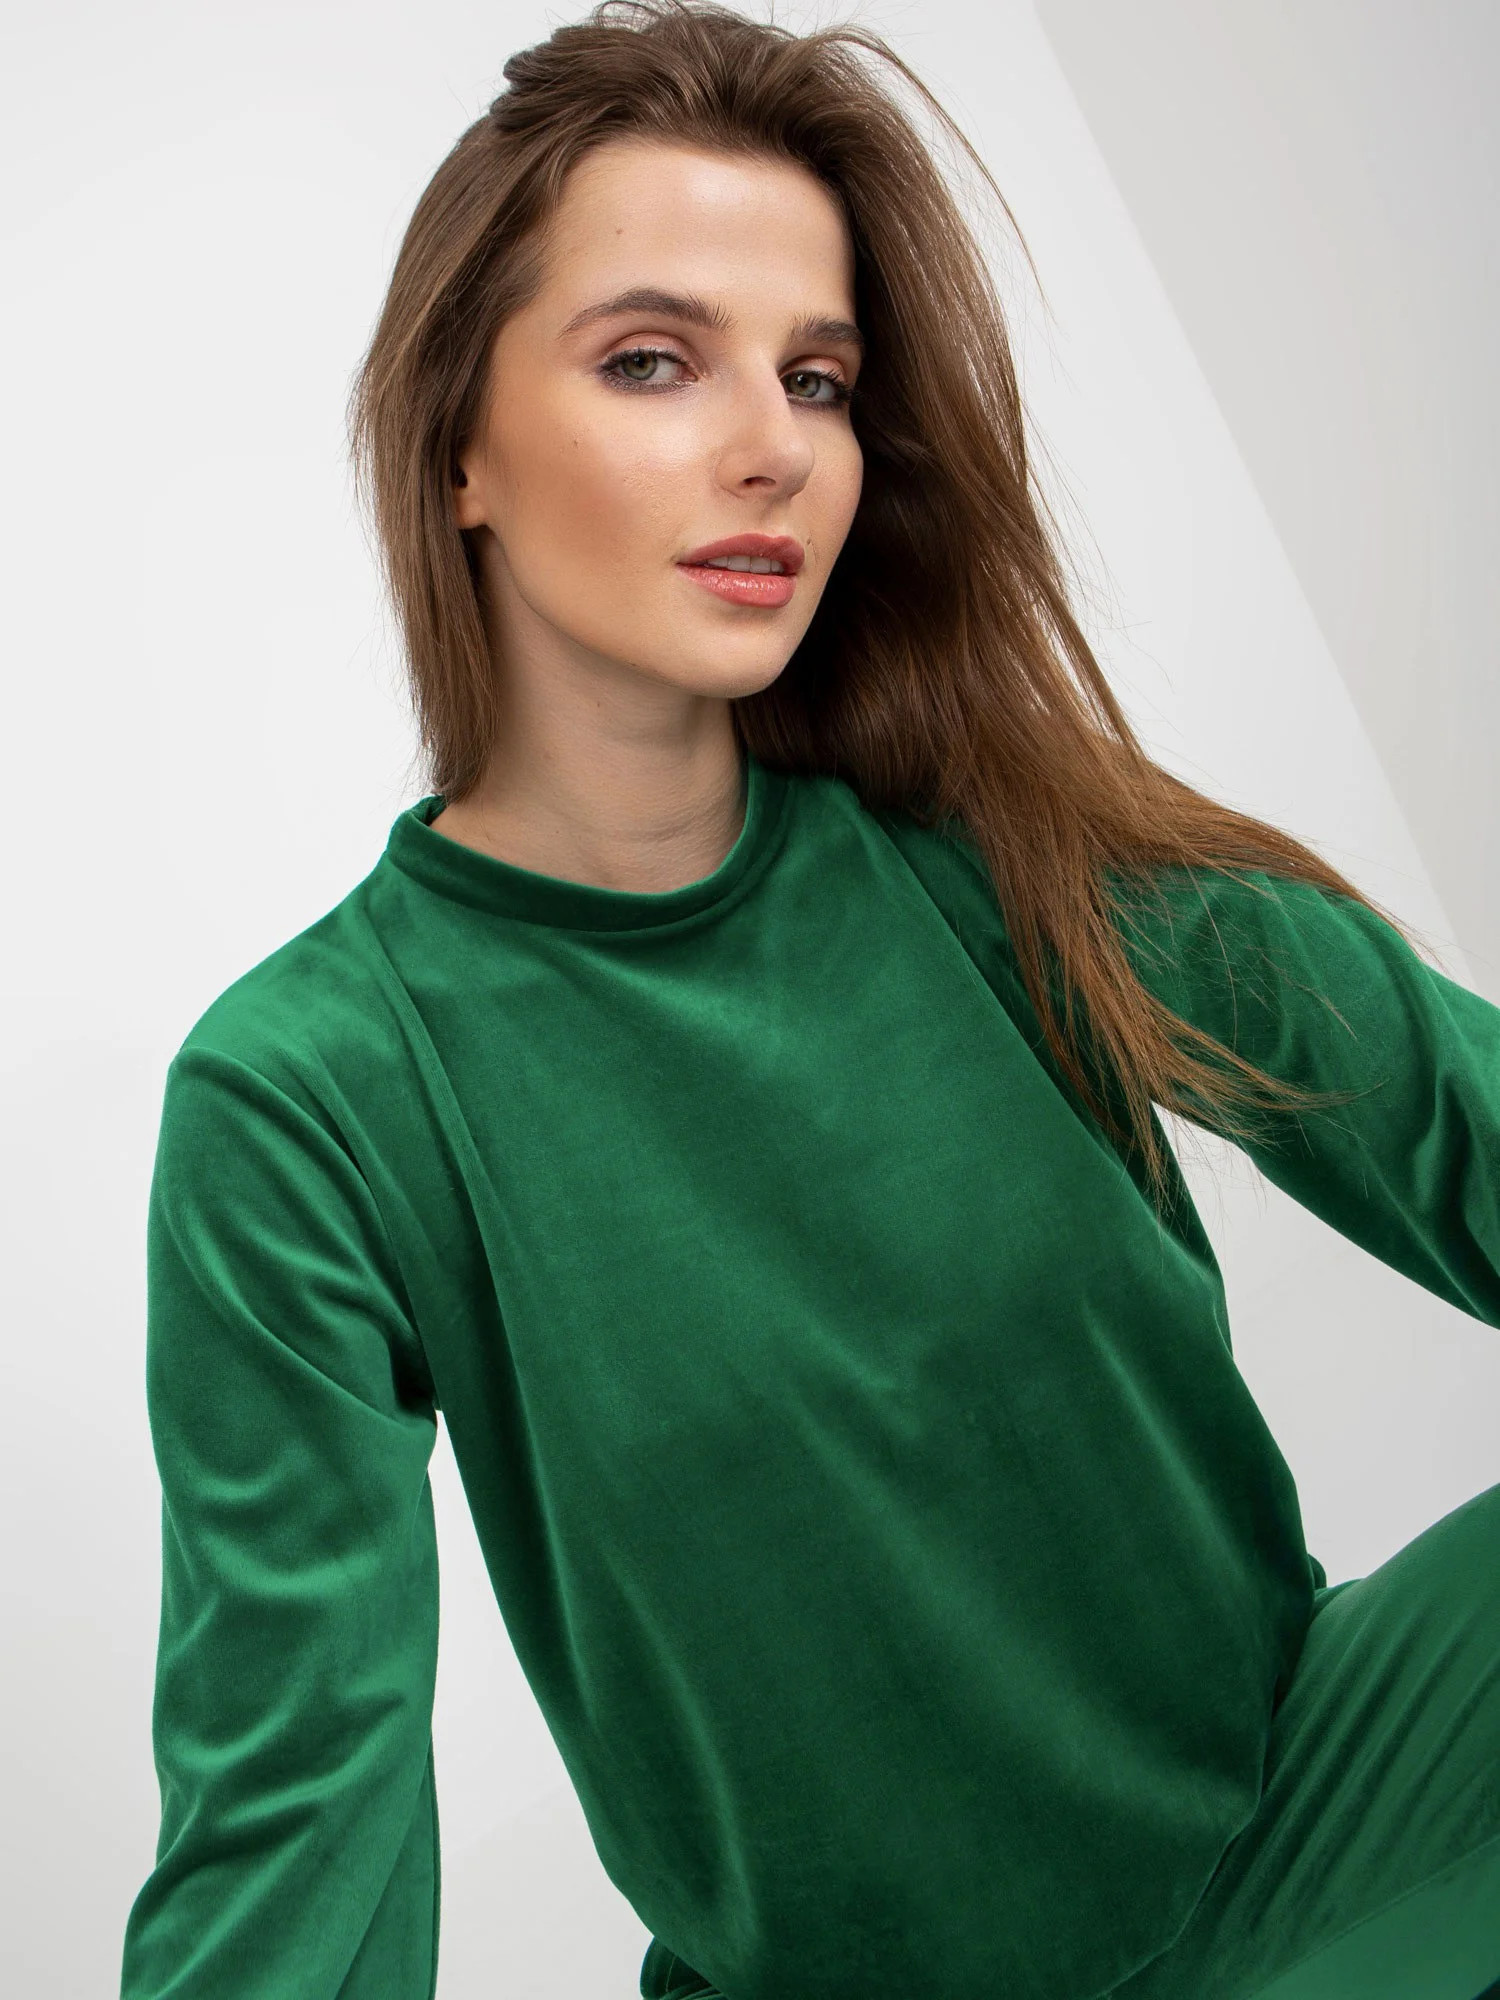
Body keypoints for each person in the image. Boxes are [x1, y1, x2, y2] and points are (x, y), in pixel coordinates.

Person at [118, 4, 1500, 1996]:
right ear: (459, 447)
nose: (775, 443)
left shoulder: (999, 843)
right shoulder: (313, 1096)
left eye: (822, 378)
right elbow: (294, 1801)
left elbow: (1459, 1121)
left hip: (1335, 1818)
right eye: (652, 359)